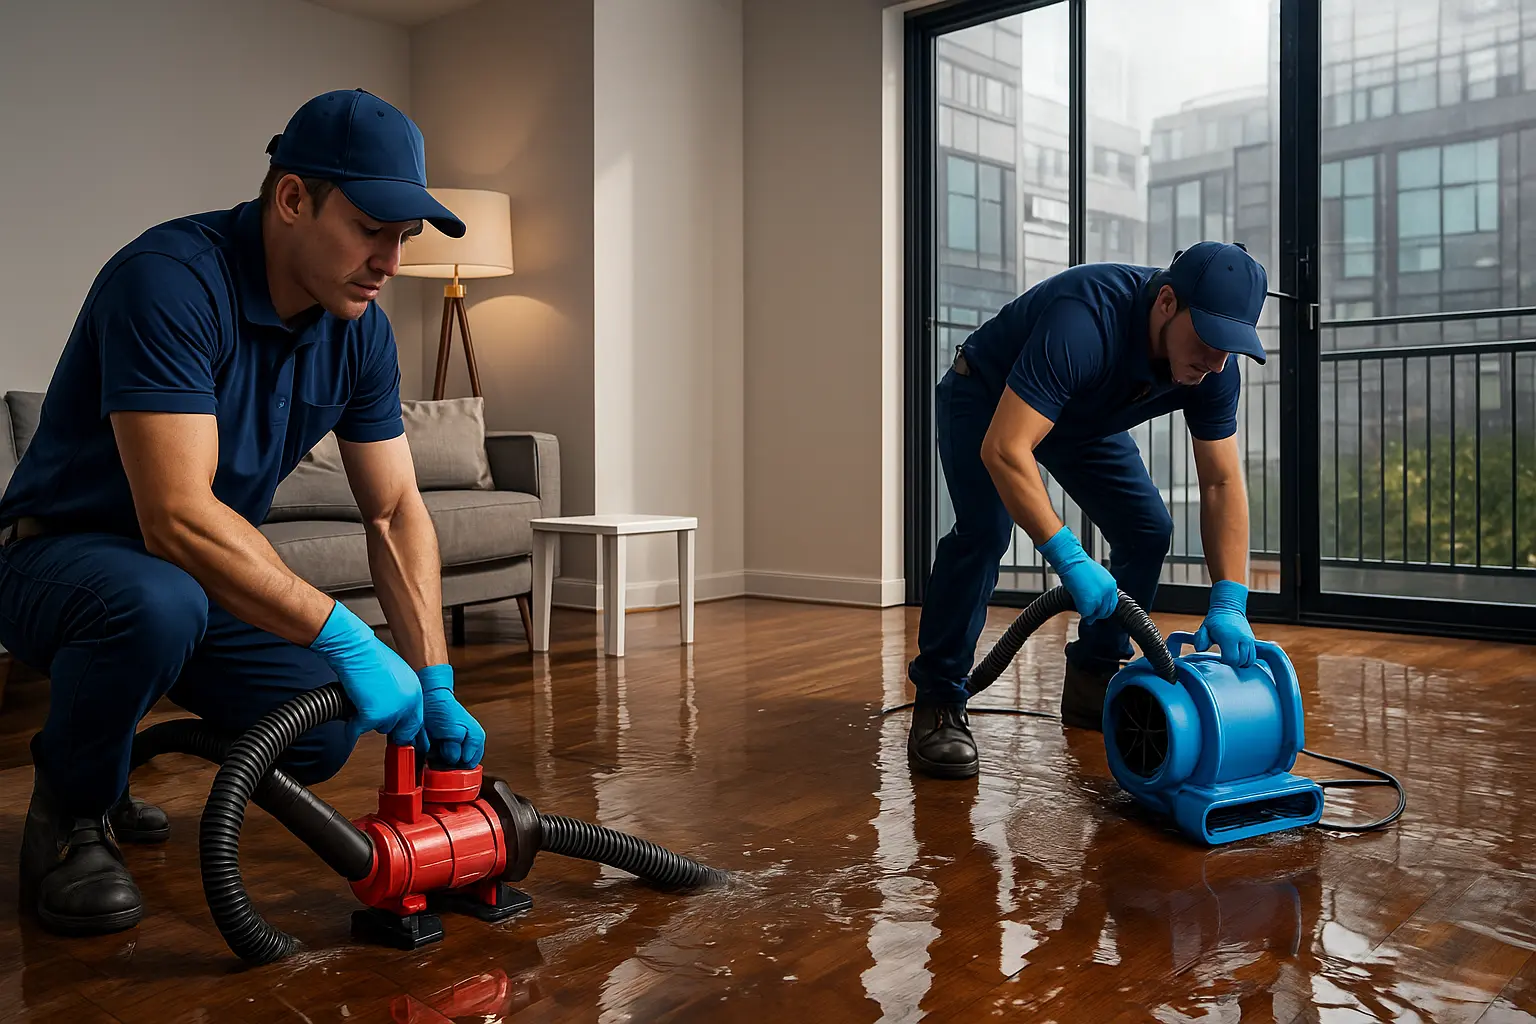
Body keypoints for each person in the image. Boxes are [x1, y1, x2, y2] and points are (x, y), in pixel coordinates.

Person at [0, 89, 488, 937]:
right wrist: (344, 629)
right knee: (153, 602)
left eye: (403, 239)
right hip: (58, 560)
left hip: (194, 577)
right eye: (372, 228)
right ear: (293, 198)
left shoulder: (359, 326)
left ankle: (110, 764)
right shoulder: (168, 281)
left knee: (322, 727)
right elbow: (177, 518)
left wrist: (435, 677)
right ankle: (70, 819)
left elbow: (395, 510)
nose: (389, 262)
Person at [906, 242, 1268, 780]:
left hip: (1081, 417)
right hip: (985, 393)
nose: (1217, 360)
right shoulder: (1085, 319)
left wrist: (1231, 598)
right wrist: (1069, 557)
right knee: (985, 530)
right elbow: (1005, 448)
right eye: (1210, 338)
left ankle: (1093, 682)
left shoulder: (1213, 369)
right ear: (1166, 302)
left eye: (1232, 347)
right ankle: (939, 698)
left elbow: (1218, 481)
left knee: (1147, 529)